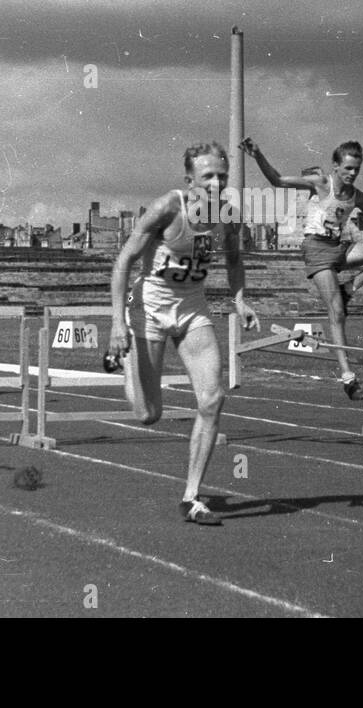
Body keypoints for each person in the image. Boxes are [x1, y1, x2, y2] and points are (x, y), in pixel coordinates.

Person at [108, 142, 259, 526]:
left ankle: (192, 497)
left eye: (222, 175)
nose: (217, 182)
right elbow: (124, 259)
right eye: (208, 176)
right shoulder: (167, 208)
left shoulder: (227, 214)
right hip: (149, 311)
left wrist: (240, 301)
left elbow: (235, 260)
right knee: (148, 415)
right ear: (189, 179)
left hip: (193, 310)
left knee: (212, 399)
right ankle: (127, 359)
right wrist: (117, 324)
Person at [240, 137, 363, 400]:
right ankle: (348, 377)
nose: (352, 174)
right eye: (348, 168)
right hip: (317, 251)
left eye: (357, 169)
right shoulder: (321, 183)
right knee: (336, 312)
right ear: (335, 166)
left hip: (340, 247)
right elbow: (278, 181)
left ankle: (350, 287)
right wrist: (257, 155)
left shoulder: (357, 196)